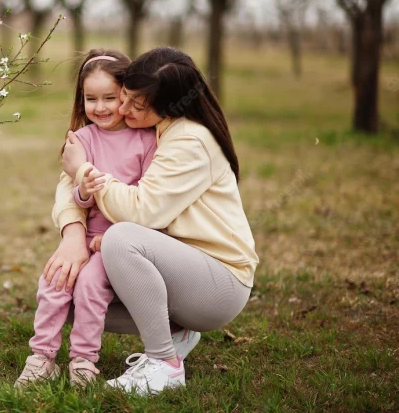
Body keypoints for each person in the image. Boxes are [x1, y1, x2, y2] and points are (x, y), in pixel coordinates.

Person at [49, 46, 259, 396]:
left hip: (219, 283)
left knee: (122, 238)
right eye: (126, 97)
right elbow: (67, 183)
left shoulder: (189, 141)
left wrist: (84, 170)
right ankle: (177, 333)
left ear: (170, 104)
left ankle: (164, 364)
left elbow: (143, 212)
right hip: (178, 266)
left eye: (136, 103)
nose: (123, 109)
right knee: (68, 291)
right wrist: (73, 233)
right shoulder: (154, 129)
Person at [15, 50, 157, 388]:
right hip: (85, 237)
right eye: (91, 98)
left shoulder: (146, 140)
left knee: (92, 285)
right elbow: (77, 198)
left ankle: (83, 360)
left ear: (127, 94)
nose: (101, 107)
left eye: (110, 97)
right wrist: (85, 191)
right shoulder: (81, 139)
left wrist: (111, 207)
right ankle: (42, 357)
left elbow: (148, 199)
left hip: (120, 242)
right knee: (54, 281)